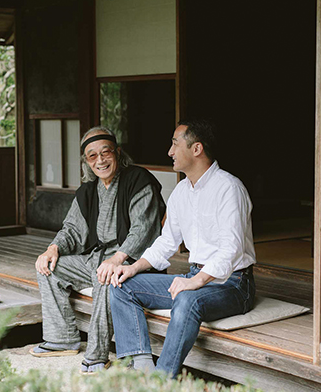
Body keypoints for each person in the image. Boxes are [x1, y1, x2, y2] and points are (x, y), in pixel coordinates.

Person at [110, 119, 256, 378]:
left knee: (187, 299)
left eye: (175, 144)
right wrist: (133, 267)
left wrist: (196, 281)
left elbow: (231, 250)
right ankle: (141, 366)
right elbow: (167, 242)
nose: (170, 152)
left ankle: (162, 380)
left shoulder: (229, 188)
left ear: (197, 149)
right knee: (121, 286)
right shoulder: (180, 192)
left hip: (233, 284)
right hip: (195, 278)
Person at [30, 126, 166, 374]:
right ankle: (62, 338)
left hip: (133, 263)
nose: (100, 160)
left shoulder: (138, 180)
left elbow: (142, 228)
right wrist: (52, 248)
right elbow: (72, 229)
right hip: (96, 259)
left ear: (118, 152)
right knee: (49, 268)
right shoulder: (88, 191)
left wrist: (117, 258)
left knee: (106, 277)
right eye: (92, 156)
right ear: (86, 161)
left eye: (106, 153)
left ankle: (97, 356)